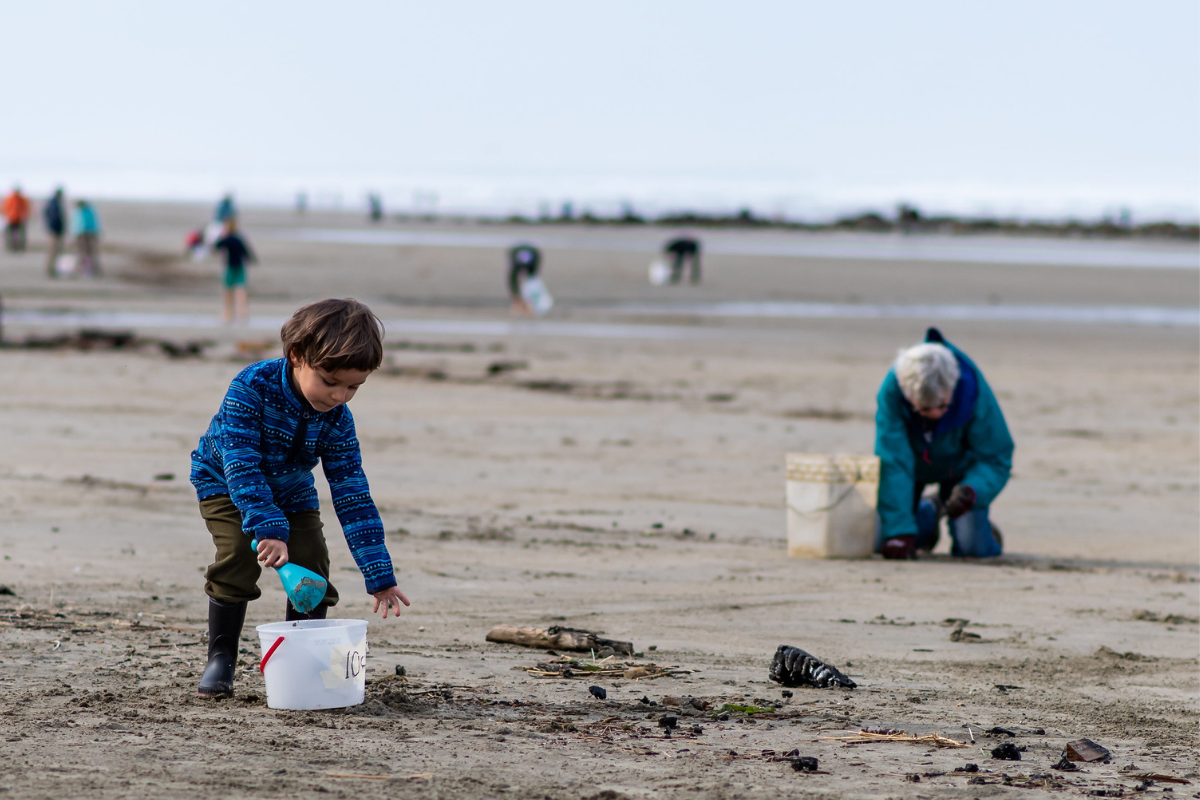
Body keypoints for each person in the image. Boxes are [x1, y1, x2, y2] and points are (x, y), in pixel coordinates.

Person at [189, 298, 411, 698]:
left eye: (353, 387)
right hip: (225, 484)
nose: (340, 396)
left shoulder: (338, 420)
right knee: (240, 554)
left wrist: (379, 575)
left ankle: (301, 658)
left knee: (313, 563)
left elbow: (352, 493)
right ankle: (221, 658)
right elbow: (242, 464)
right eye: (330, 382)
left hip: (292, 492)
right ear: (296, 356)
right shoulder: (251, 387)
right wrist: (267, 527)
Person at [874, 327, 1012, 560]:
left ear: (954, 386)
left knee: (972, 550)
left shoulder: (973, 390)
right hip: (910, 470)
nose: (936, 413)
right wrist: (899, 532)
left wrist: (973, 491)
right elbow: (893, 460)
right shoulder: (892, 391)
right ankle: (927, 514)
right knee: (881, 541)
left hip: (960, 473)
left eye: (943, 406)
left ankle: (985, 531)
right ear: (907, 396)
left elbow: (996, 456)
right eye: (925, 409)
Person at [212, 218, 256, 324]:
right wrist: (251, 259)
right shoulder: (238, 239)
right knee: (241, 291)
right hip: (239, 267)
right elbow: (245, 251)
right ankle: (243, 314)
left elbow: (216, 246)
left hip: (231, 267)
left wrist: (221, 236)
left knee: (228, 291)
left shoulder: (227, 239)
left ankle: (228, 314)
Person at [507, 243, 540, 315]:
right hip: (516, 254)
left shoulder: (535, 256)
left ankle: (529, 303)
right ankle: (518, 303)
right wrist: (516, 296)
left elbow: (532, 277)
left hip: (532, 256)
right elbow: (513, 280)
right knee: (515, 282)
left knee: (530, 282)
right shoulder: (515, 259)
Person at [72, 200, 102, 276]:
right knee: (83, 253)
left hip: (87, 234)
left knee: (88, 253)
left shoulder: (85, 211)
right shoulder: (81, 211)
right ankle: (84, 269)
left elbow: (85, 223)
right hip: (83, 233)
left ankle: (91, 270)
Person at [43, 187, 66, 276]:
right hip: (55, 231)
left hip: (54, 230)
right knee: (53, 251)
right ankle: (50, 270)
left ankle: (52, 269)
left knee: (54, 251)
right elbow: (54, 218)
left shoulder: (53, 202)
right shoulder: (54, 203)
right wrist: (55, 229)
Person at [3, 185, 31, 252]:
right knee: (11, 234)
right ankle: (12, 246)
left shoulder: (17, 199)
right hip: (12, 219)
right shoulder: (11, 199)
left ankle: (18, 247)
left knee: (18, 234)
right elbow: (6, 208)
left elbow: (25, 208)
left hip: (17, 219)